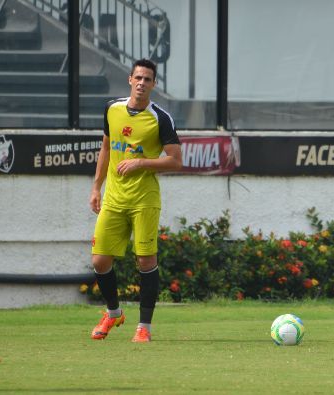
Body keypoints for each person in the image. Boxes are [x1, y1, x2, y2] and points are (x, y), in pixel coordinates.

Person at [89, 58, 183, 342]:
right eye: (138, 78)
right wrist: (96, 188)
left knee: (145, 260)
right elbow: (106, 147)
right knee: (100, 261)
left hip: (144, 200)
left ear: (154, 85)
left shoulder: (160, 118)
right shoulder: (112, 109)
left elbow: (176, 161)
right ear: (130, 79)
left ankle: (144, 327)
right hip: (115, 199)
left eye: (148, 79)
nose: (142, 83)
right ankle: (113, 313)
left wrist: (141, 162)